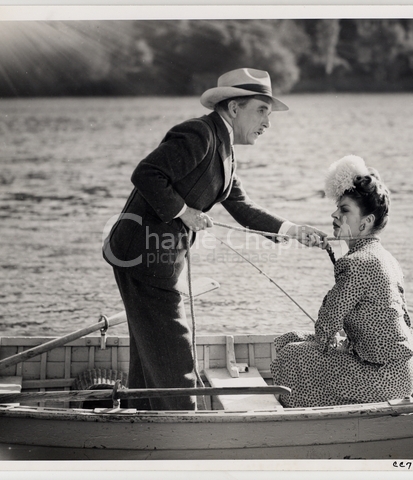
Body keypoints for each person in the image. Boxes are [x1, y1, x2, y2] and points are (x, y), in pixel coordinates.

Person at [103, 67, 327, 411]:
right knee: (173, 347)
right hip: (141, 257)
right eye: (261, 110)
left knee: (151, 345)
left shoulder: (225, 150)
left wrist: (293, 230)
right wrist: (183, 212)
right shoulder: (199, 134)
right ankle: (182, 427)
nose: (267, 122)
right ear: (234, 108)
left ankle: (145, 418)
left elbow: (240, 205)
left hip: (154, 260)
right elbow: (147, 174)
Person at [270, 155, 413, 408]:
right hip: (400, 371)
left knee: (292, 354)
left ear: (366, 221)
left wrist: (330, 343)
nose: (334, 214)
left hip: (383, 375)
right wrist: (330, 245)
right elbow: (352, 280)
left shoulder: (358, 263)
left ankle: (302, 413)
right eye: (338, 208)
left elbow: (328, 322)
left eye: (344, 210)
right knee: (289, 338)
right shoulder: (382, 256)